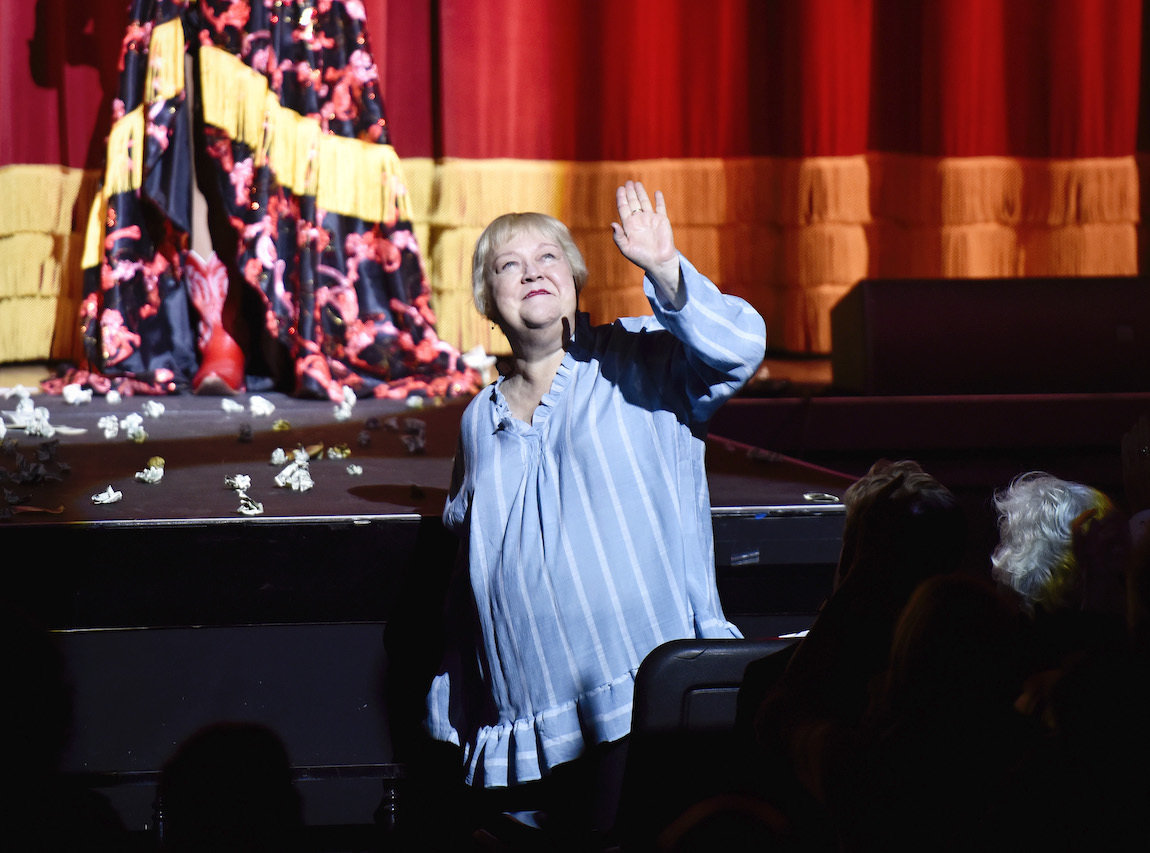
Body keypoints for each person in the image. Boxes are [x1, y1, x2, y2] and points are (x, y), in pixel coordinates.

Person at [423, 180, 766, 842]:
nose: (531, 271)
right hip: (525, 719)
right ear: (486, 303)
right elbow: (471, 573)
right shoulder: (476, 420)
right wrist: (453, 711)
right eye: (508, 264)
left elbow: (739, 349)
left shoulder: (636, 357)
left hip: (632, 701)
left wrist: (666, 267)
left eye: (549, 257)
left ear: (577, 281)